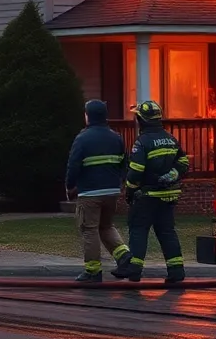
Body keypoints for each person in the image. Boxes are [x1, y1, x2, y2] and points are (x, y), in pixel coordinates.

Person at [113, 100, 189, 285]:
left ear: (142, 120)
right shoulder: (170, 138)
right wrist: (172, 175)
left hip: (146, 197)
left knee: (139, 231)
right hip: (168, 196)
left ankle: (135, 271)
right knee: (167, 232)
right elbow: (184, 162)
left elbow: (136, 171)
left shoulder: (142, 142)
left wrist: (129, 191)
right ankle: (176, 271)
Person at [65, 99, 132, 283]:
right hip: (112, 191)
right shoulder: (116, 137)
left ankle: (93, 271)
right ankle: (125, 257)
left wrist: (69, 186)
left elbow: (73, 166)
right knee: (106, 226)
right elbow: (123, 164)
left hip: (90, 194)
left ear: (88, 116)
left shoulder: (82, 139)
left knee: (89, 229)